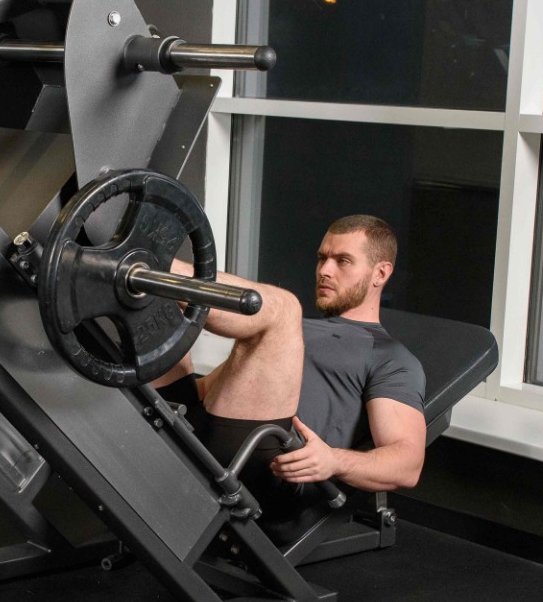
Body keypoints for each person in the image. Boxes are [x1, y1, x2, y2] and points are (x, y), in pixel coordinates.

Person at [152, 215, 426, 504]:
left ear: (380, 273)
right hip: (205, 432)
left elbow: (408, 465)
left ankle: (158, 266)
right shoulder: (293, 333)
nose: (325, 271)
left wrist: (333, 461)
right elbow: (212, 391)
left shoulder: (390, 356)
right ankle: (150, 275)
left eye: (343, 261)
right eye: (322, 258)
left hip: (273, 470)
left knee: (285, 307)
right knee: (161, 311)